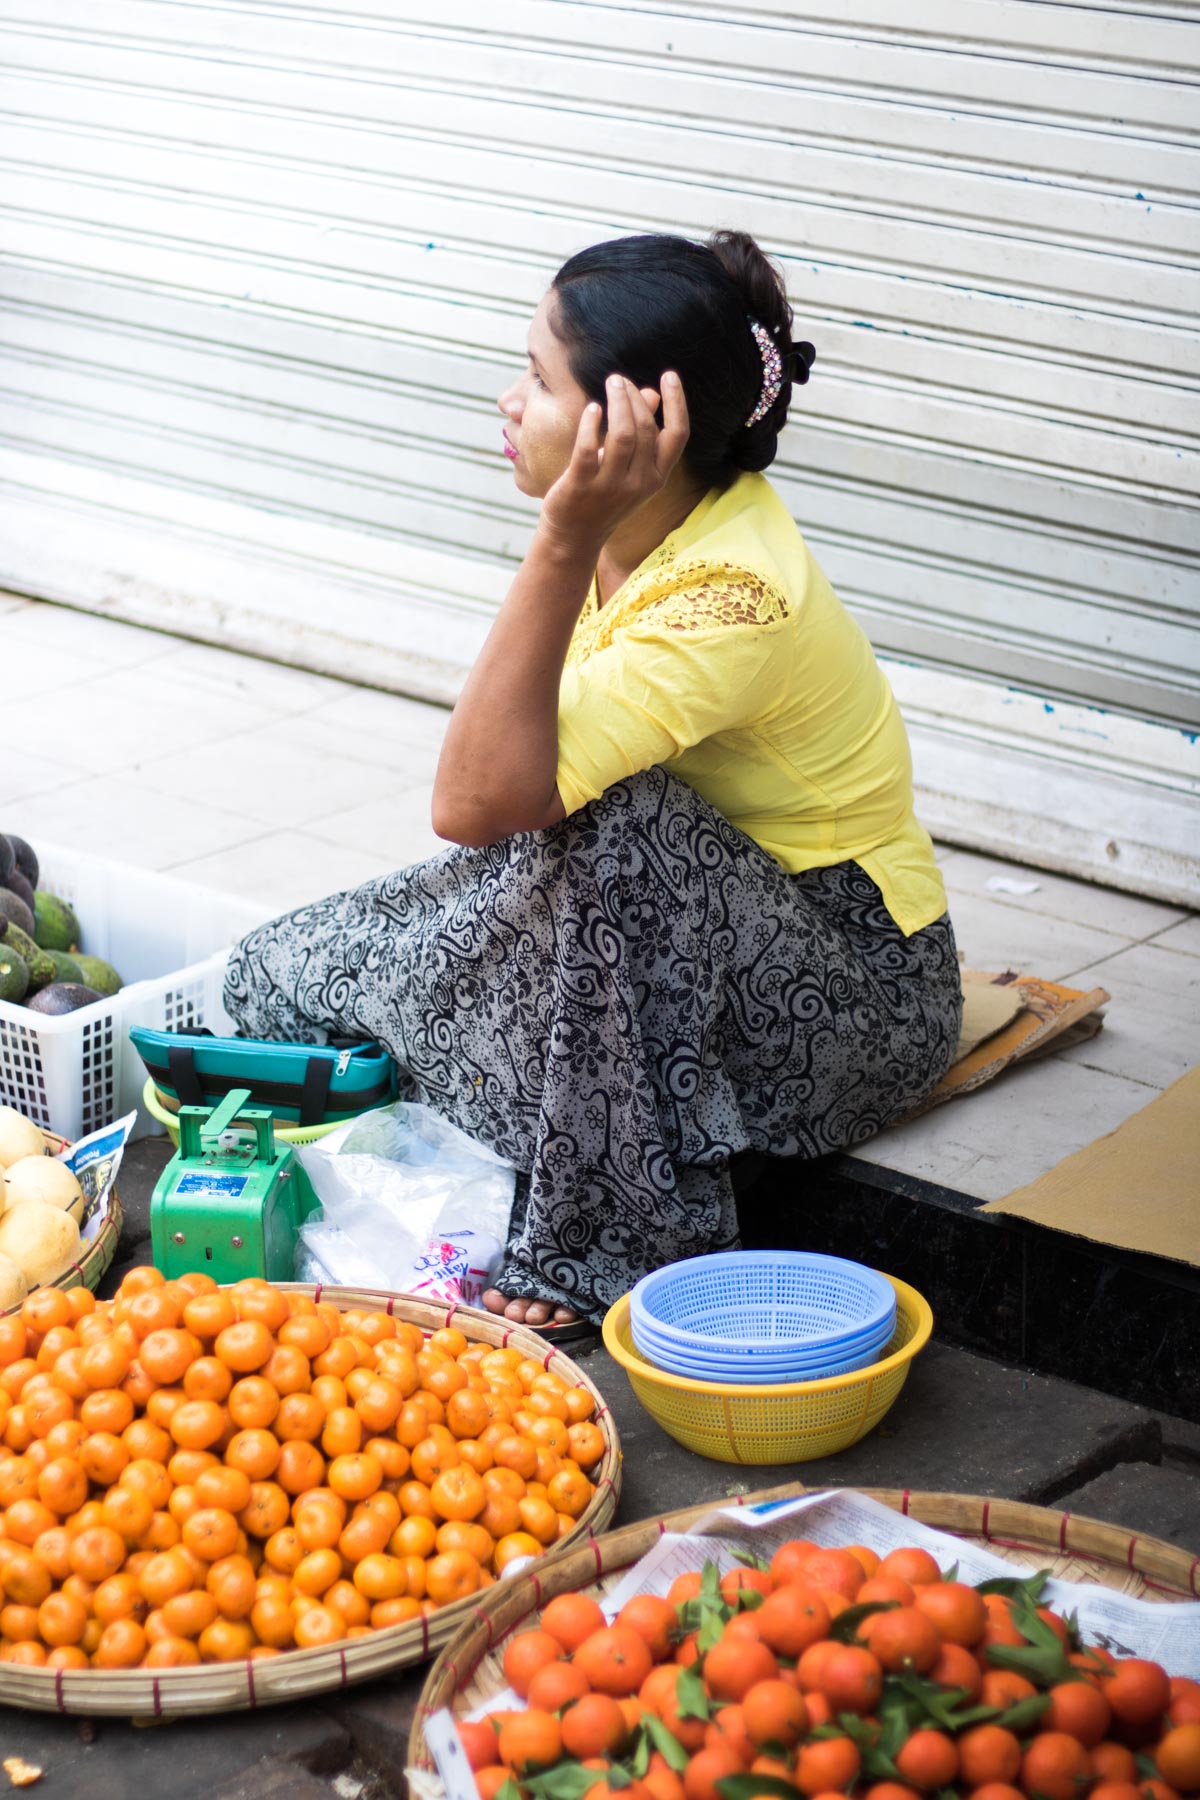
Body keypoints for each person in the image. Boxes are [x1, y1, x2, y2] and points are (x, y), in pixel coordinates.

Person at [223, 230, 962, 1332]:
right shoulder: (643, 534)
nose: (509, 400)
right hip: (665, 923)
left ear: (635, 426)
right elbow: (497, 813)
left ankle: (618, 1236)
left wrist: (561, 533)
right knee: (268, 981)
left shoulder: (732, 594)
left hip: (850, 995)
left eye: (537, 376)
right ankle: (588, 1131)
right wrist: (574, 539)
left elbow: (475, 804)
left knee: (614, 817)